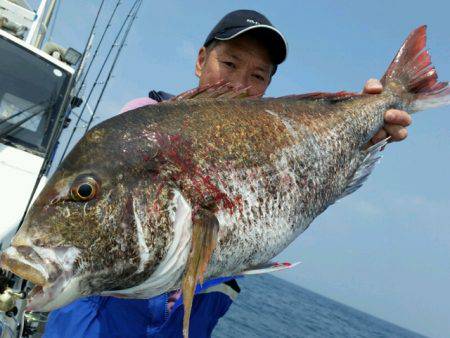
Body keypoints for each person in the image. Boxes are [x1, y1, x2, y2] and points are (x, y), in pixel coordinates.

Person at [43, 9, 411, 338]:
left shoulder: (278, 139)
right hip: (102, 318)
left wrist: (366, 132)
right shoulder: (142, 123)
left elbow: (304, 191)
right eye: (230, 64)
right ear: (201, 59)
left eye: (258, 75)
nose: (240, 84)